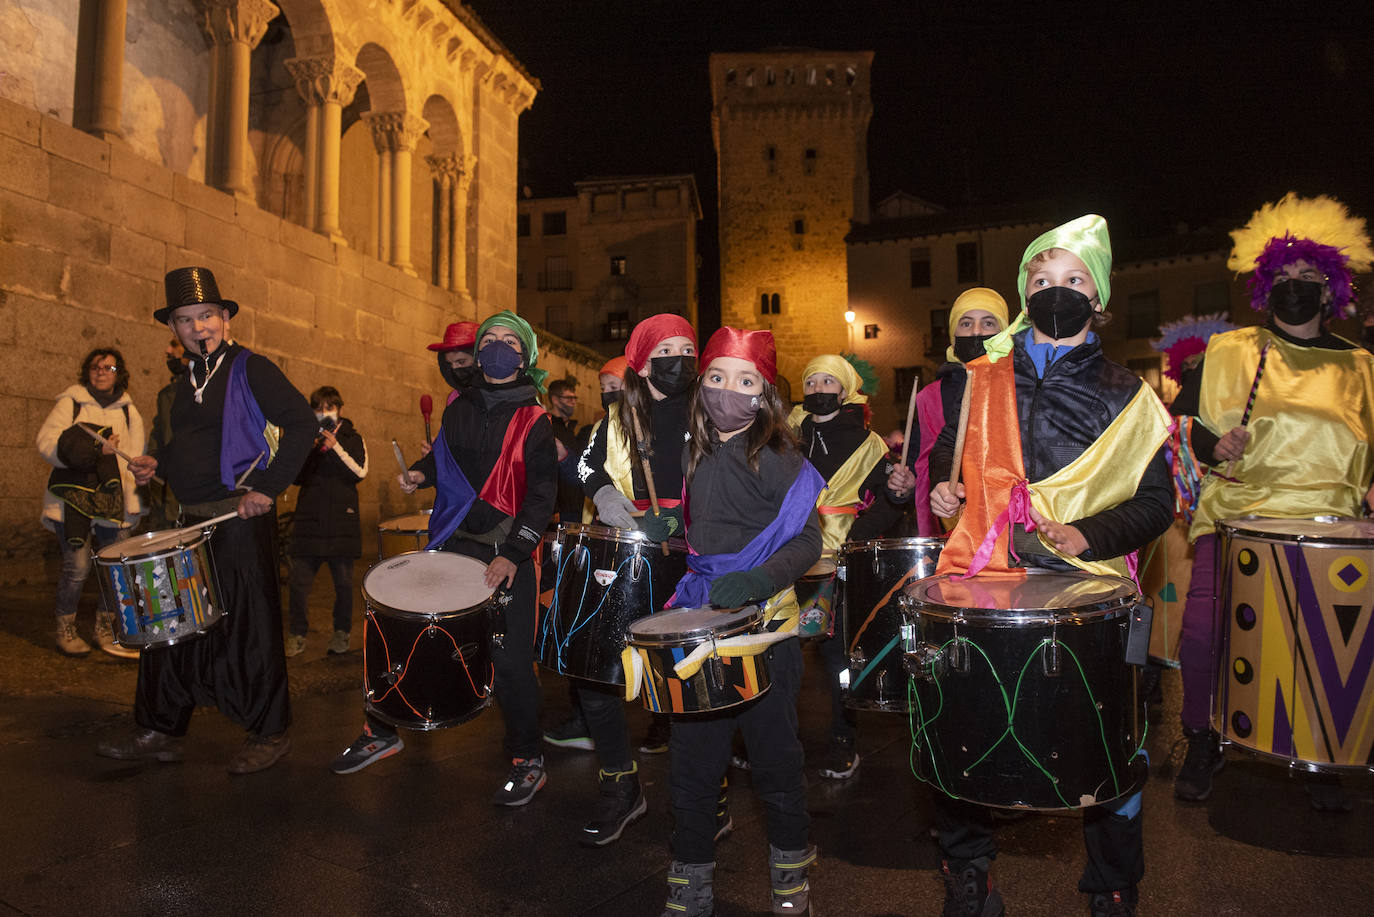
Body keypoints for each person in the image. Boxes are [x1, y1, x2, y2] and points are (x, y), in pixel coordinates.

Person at [928, 216, 1174, 917]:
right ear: (1023, 292)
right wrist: (949, 494)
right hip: (989, 584)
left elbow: (1158, 502)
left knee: (1110, 750)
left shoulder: (1129, 395)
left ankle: (1113, 885)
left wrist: (1085, 534)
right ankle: (969, 874)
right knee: (964, 734)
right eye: (1041, 280)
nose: (1055, 291)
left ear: (1097, 298)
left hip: (1090, 591)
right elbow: (953, 474)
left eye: (1073, 280)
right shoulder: (982, 379)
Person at [1170, 194, 1374, 807]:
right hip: (1238, 520)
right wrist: (1212, 441)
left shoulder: (1363, 367)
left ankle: (1323, 753)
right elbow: (1175, 432)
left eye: (1307, 278)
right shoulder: (1229, 352)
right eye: (1283, 277)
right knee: (1204, 634)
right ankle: (1203, 740)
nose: (1294, 288)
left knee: (1327, 643)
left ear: (1330, 288)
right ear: (1265, 285)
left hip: (1335, 530)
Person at [332, 311, 559, 807]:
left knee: (512, 661)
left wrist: (515, 555)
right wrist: (418, 473)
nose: (499, 348)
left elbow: (542, 497)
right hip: (457, 536)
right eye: (490, 340)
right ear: (478, 353)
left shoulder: (537, 419)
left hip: (507, 547)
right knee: (410, 631)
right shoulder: (460, 406)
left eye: (510, 342)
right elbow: (445, 458)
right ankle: (382, 728)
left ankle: (528, 759)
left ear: (526, 357)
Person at [101, 266, 317, 774]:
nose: (199, 328)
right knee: (166, 628)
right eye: (185, 320)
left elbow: (301, 423)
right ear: (173, 329)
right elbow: (193, 444)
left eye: (207, 316)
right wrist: (163, 463)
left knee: (250, 628)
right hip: (185, 521)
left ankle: (269, 730)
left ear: (224, 318)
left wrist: (268, 488)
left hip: (237, 520)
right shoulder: (187, 380)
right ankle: (160, 727)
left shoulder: (252, 367)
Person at [650, 326, 824, 917]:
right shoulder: (693, 448)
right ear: (702, 386)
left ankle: (790, 870)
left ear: (765, 395)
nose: (728, 391)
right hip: (699, 620)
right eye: (717, 378)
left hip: (764, 626)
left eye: (745, 381)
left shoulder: (776, 455)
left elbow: (806, 539)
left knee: (776, 759)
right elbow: (711, 523)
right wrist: (675, 531)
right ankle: (691, 873)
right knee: (693, 758)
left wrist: (757, 580)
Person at [558, 314, 696, 846]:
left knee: (687, 681)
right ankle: (620, 784)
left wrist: (690, 520)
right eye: (667, 349)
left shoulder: (710, 411)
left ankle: (709, 795)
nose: (679, 358)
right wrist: (609, 498)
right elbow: (585, 467)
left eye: (688, 348)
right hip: (626, 550)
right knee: (597, 676)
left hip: (691, 560)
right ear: (642, 360)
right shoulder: (617, 418)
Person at [790, 353, 900, 780]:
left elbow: (891, 502)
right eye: (811, 381)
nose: (819, 389)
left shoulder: (870, 443)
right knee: (779, 647)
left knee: (837, 655)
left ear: (846, 389)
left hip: (840, 561)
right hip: (786, 553)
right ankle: (772, 735)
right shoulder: (785, 432)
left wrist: (856, 534)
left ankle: (842, 735)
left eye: (828, 382)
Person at [541, 353, 632, 752]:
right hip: (592, 544)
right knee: (585, 637)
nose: (609, 394)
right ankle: (585, 720)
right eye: (604, 388)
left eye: (617, 386)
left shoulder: (653, 432)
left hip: (633, 547)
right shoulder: (598, 430)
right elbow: (581, 477)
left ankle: (664, 724)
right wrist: (564, 460)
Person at [38, 347, 147, 658]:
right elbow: (46, 443)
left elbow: (134, 460)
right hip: (73, 502)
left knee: (114, 569)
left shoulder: (128, 410)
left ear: (119, 374)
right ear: (87, 371)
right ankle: (66, 629)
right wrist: (88, 451)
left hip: (114, 503)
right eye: (96, 367)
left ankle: (106, 628)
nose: (102, 372)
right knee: (78, 567)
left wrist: (134, 505)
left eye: (109, 368)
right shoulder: (71, 403)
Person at [887, 288, 1010, 535]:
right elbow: (913, 465)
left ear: (1005, 333)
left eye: (988, 323)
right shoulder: (928, 398)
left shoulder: (1019, 385)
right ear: (953, 337)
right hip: (945, 529)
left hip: (1008, 525)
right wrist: (902, 484)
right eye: (966, 323)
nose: (976, 332)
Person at [284, 386, 368, 658]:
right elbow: (296, 476)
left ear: (339, 409)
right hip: (309, 522)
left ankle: (341, 633)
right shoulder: (306, 437)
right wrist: (312, 448)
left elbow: (359, 472)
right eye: (318, 408)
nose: (324, 412)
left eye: (329, 407)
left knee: (343, 586)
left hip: (341, 524)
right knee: (298, 585)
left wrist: (335, 448)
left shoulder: (353, 437)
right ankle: (297, 633)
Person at [144, 337, 189, 531]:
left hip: (197, 496)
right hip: (169, 495)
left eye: (175, 344)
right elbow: (159, 433)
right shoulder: (167, 394)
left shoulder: (210, 390)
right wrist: (153, 459)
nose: (168, 350)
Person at [547, 378, 586, 524]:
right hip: (557, 512)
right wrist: (553, 508)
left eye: (574, 398)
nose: (573, 402)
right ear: (555, 400)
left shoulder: (570, 430)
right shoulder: (548, 427)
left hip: (575, 510)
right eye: (569, 398)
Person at [427, 320, 480, 405]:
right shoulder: (454, 398)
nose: (454, 368)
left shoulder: (501, 394)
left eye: (461, 362)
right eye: (450, 364)